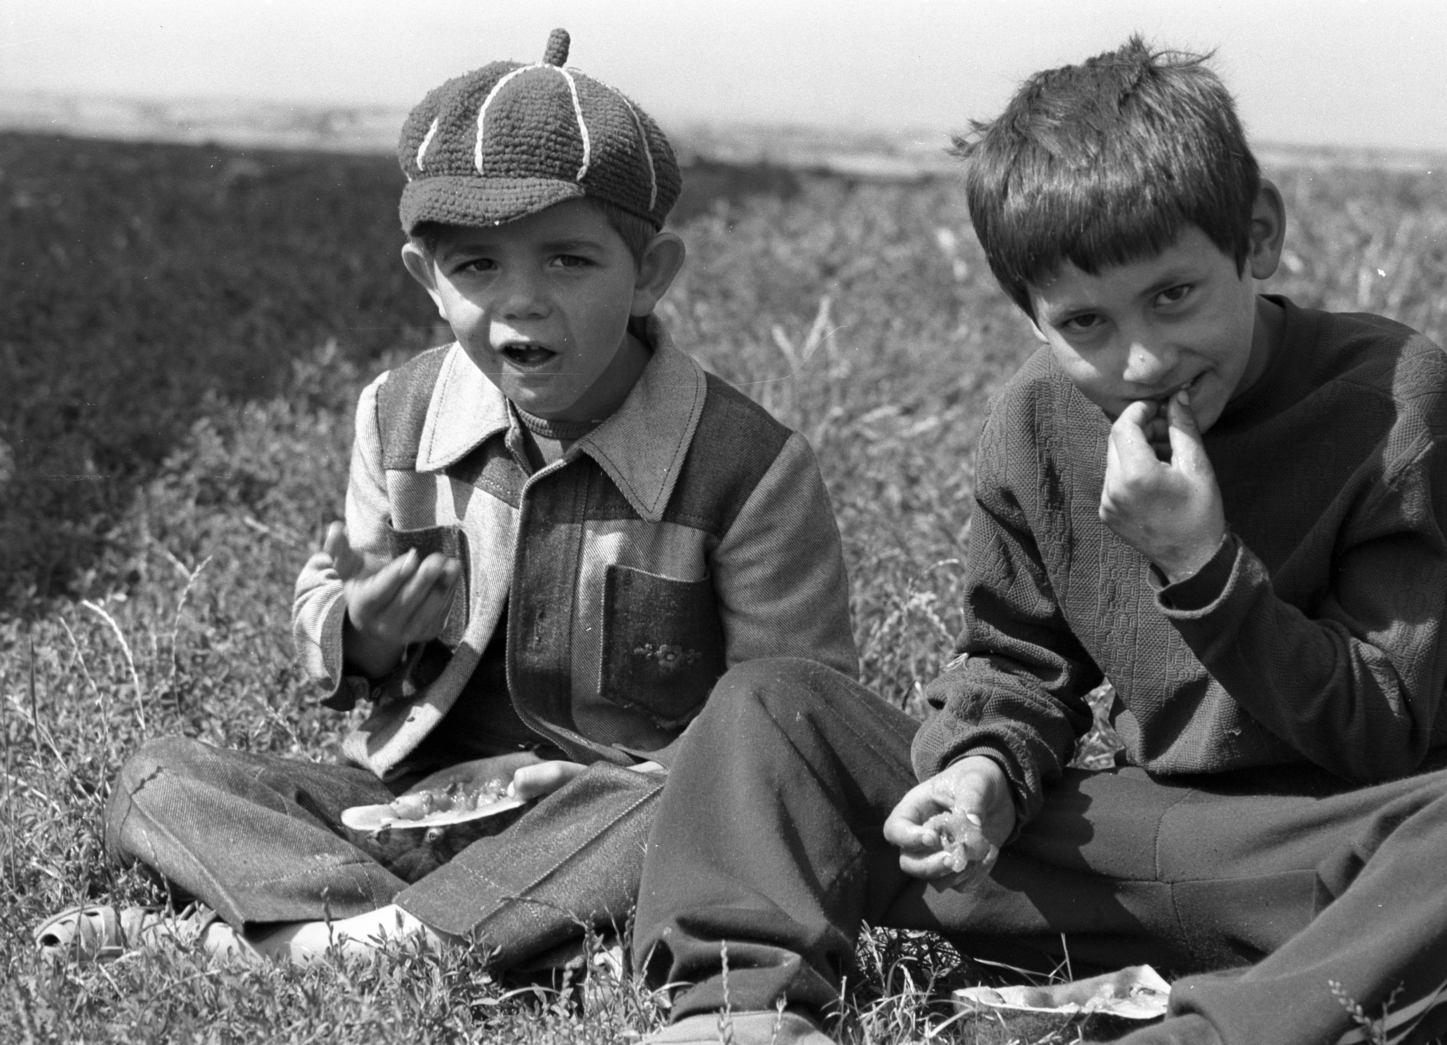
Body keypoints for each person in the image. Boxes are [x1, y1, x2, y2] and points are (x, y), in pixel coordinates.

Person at [630, 37, 1447, 1045]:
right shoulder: (1040, 423)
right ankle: (740, 1010)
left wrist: (1201, 566)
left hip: (1345, 858)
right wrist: (978, 777)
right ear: (1030, 315)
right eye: (1084, 321)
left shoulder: (1393, 395)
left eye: (1173, 296)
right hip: (1135, 842)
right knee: (771, 707)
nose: (1139, 358)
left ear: (1255, 238)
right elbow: (1016, 666)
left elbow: (1380, 729)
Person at [38, 29, 856, 970]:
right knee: (159, 780)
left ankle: (335, 944)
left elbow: (795, 725)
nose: (521, 302)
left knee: (681, 813)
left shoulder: (748, 468)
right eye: (477, 266)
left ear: (652, 274)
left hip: (617, 810)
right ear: (428, 279)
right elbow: (334, 612)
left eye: (569, 261)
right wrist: (367, 629)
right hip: (408, 802)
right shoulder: (399, 417)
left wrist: (617, 779)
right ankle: (507, 935)